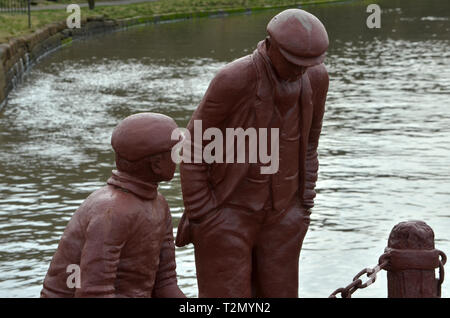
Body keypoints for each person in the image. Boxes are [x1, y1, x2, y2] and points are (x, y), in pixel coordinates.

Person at [175, 9, 330, 297]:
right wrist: (204, 213)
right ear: (270, 46)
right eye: (294, 62)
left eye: (308, 64)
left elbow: (310, 143)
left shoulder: (316, 79)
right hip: (229, 211)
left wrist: (304, 203)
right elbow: (193, 145)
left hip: (285, 215)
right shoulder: (235, 78)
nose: (300, 70)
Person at [41, 113, 185, 298]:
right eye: (175, 152)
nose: (179, 157)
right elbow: (92, 291)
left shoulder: (159, 205)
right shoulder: (111, 212)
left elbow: (165, 281)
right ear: (156, 165)